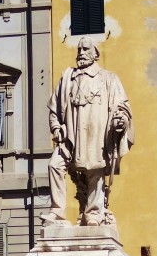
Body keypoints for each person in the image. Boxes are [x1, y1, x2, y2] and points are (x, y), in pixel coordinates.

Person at [45, 37, 133, 226]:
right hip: (71, 136)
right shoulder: (68, 77)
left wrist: (121, 121)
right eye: (79, 49)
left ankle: (93, 213)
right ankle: (57, 211)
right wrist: (55, 127)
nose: (81, 53)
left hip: (96, 135)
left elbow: (123, 107)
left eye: (86, 49)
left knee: (95, 170)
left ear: (95, 54)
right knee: (54, 165)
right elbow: (53, 108)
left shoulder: (108, 78)